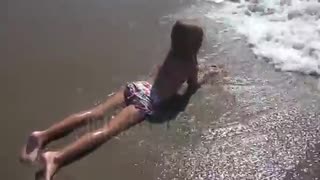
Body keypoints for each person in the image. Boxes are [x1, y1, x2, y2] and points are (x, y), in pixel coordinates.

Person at [19, 20, 216, 180]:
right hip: (148, 103)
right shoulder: (190, 64)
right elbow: (191, 87)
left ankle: (42, 136)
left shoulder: (171, 53)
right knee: (108, 130)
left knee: (96, 112)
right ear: (195, 44)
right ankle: (57, 157)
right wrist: (207, 78)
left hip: (139, 87)